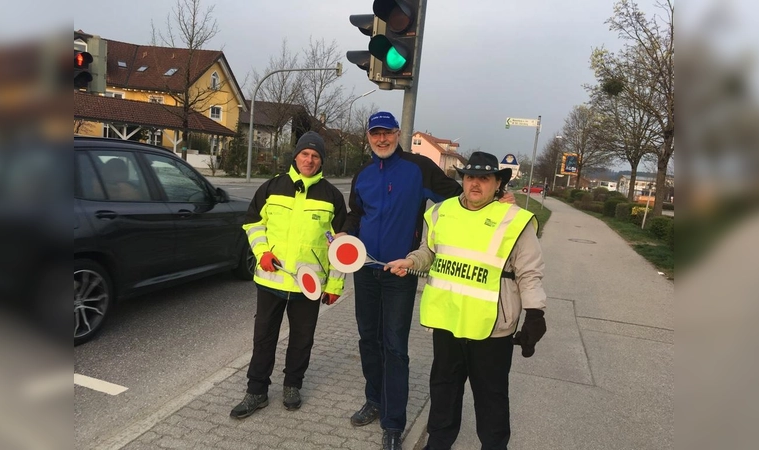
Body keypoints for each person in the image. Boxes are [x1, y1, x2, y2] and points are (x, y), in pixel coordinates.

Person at [386, 151, 548, 450]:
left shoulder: (515, 221)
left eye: (484, 178)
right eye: (470, 177)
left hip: (492, 326)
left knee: (492, 396)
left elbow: (529, 274)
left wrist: (535, 314)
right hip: (448, 320)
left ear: (497, 183)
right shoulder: (441, 212)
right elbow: (430, 253)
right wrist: (411, 262)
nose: (475, 184)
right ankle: (438, 443)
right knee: (444, 390)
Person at [334, 111, 463, 450]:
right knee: (368, 339)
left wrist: (496, 200)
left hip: (400, 272)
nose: (381, 139)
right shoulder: (362, 174)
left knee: (395, 348)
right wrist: (344, 234)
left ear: (397, 133)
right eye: (375, 134)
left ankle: (394, 423)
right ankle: (374, 400)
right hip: (365, 270)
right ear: (368, 137)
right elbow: (357, 213)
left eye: (387, 133)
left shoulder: (418, 167)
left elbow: (457, 198)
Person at [230, 131, 347, 419]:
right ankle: (256, 391)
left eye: (315, 156)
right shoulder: (271, 187)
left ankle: (293, 385)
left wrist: (334, 284)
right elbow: (254, 224)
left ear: (321, 161)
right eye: (305, 154)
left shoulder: (332, 197)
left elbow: (342, 248)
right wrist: (262, 253)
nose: (309, 160)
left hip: (308, 286)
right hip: (271, 280)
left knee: (302, 339)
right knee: (264, 338)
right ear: (295, 156)